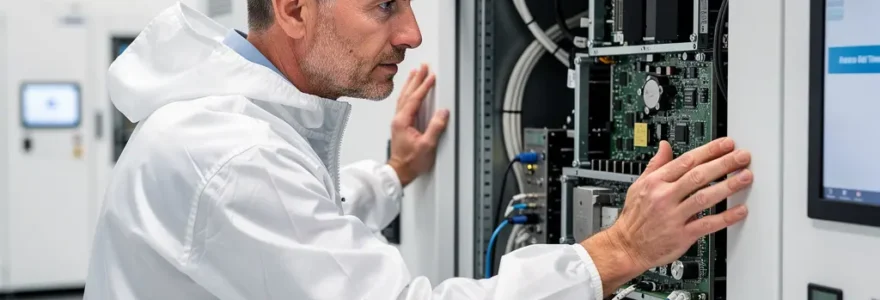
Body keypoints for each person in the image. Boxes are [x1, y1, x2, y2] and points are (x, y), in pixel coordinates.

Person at [83, 0, 754, 299]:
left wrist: (397, 171)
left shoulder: (226, 132)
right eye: (384, 5)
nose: (412, 32)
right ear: (294, 9)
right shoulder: (230, 154)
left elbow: (305, 221)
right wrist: (619, 251)